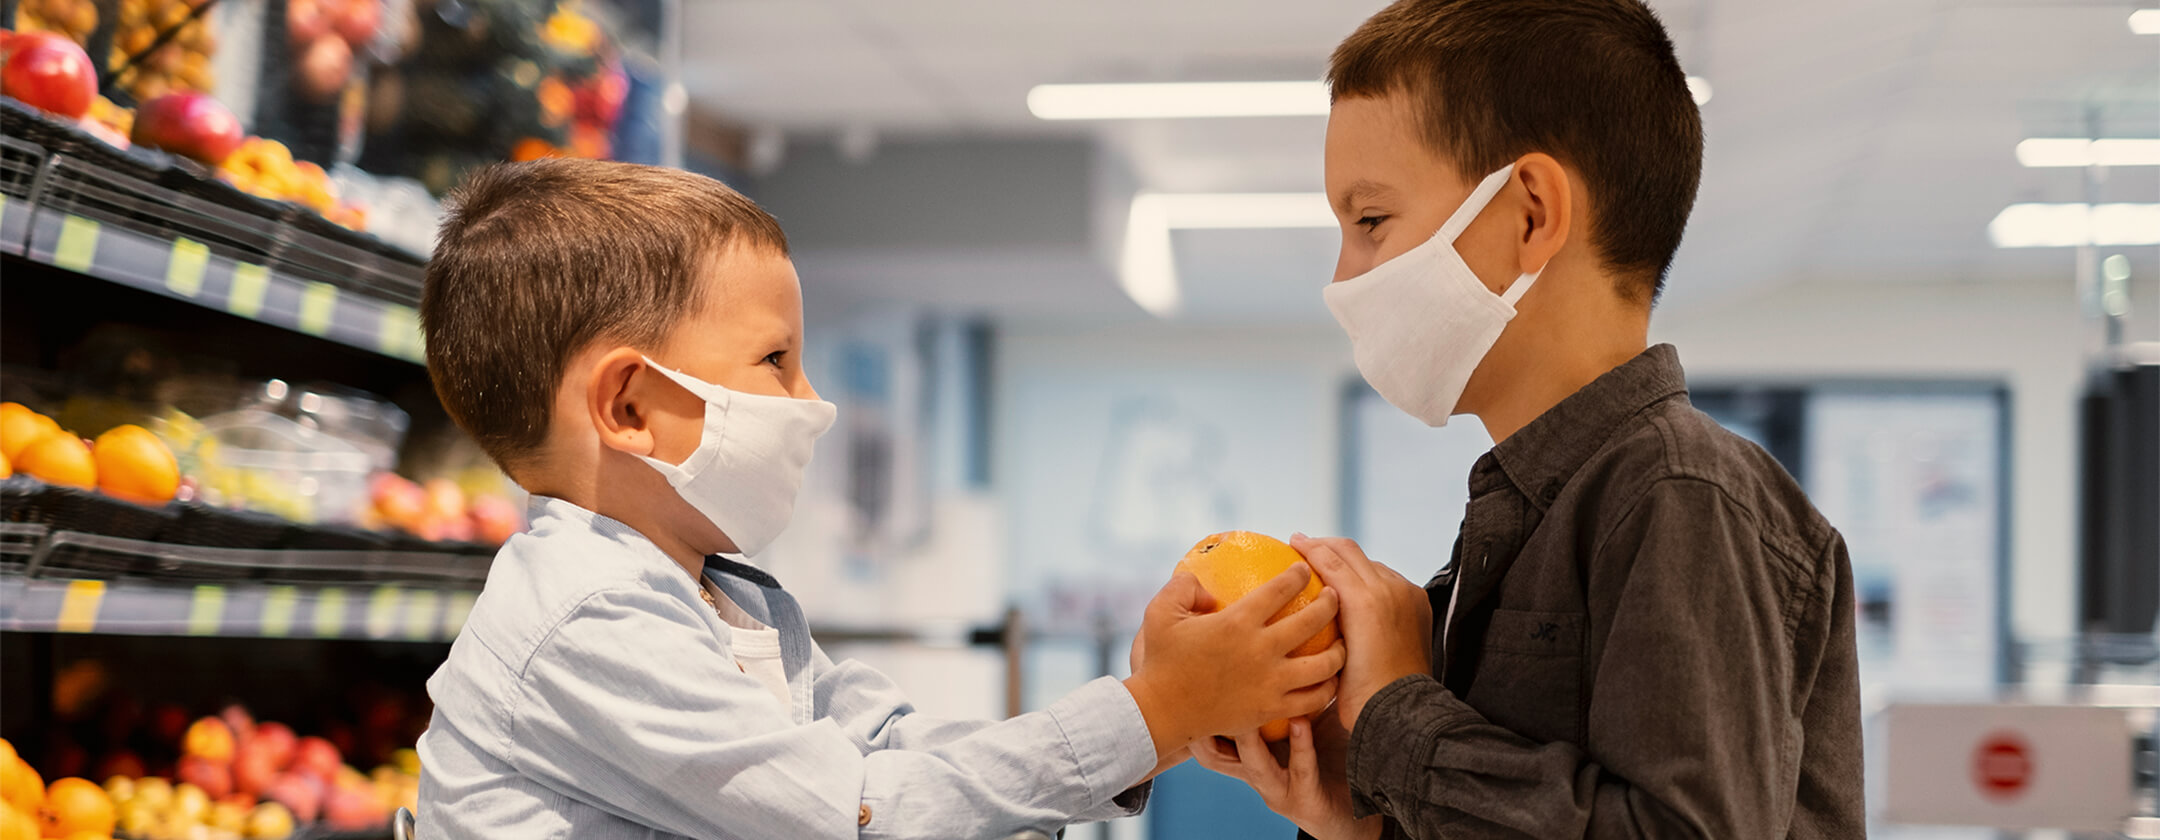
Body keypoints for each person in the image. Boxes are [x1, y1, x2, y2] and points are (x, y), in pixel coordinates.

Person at [410, 158, 1345, 839]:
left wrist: (1163, 724)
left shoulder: (729, 596)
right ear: (629, 407)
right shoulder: (588, 616)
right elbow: (856, 818)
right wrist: (1149, 714)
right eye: (776, 360)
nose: (810, 399)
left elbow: (894, 749)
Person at [1186, 1, 1865, 837]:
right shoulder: (1524, 512)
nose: (1342, 276)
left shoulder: (1677, 493)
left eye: (1370, 223)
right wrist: (1362, 823)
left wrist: (1397, 714)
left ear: (1531, 213)